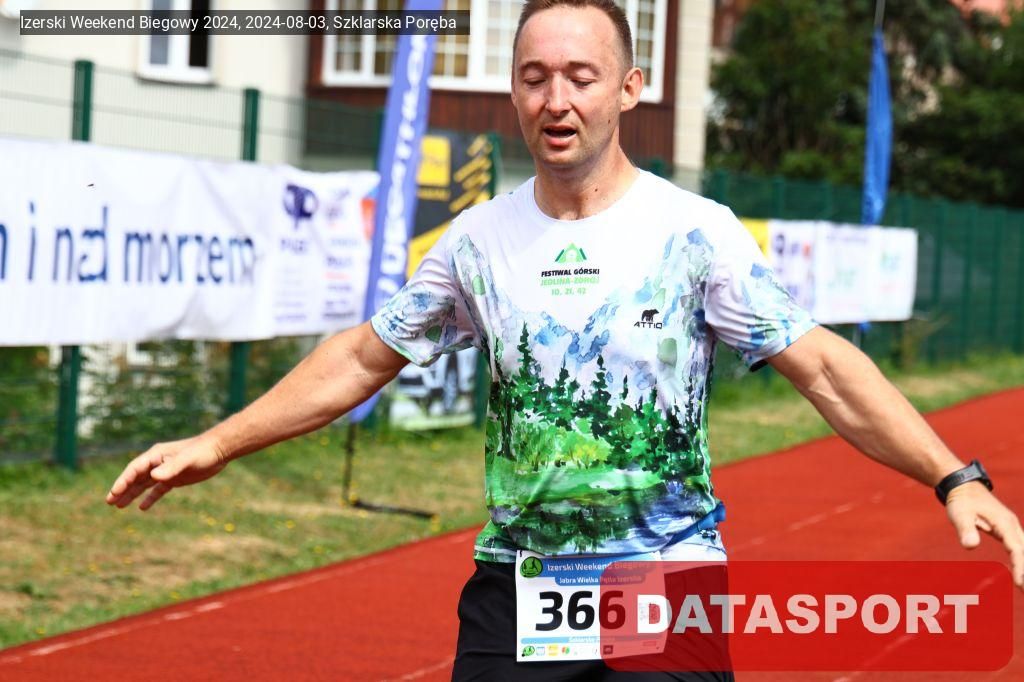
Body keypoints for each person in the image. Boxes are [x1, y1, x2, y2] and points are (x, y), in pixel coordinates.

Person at [107, 1, 1024, 680]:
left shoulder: (694, 232)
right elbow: (361, 356)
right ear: (514, 88)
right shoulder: (476, 242)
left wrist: (953, 476)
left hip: (662, 585)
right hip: (519, 592)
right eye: (534, 76)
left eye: (581, 77)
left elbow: (821, 367)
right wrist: (218, 442)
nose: (556, 99)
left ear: (629, 89)